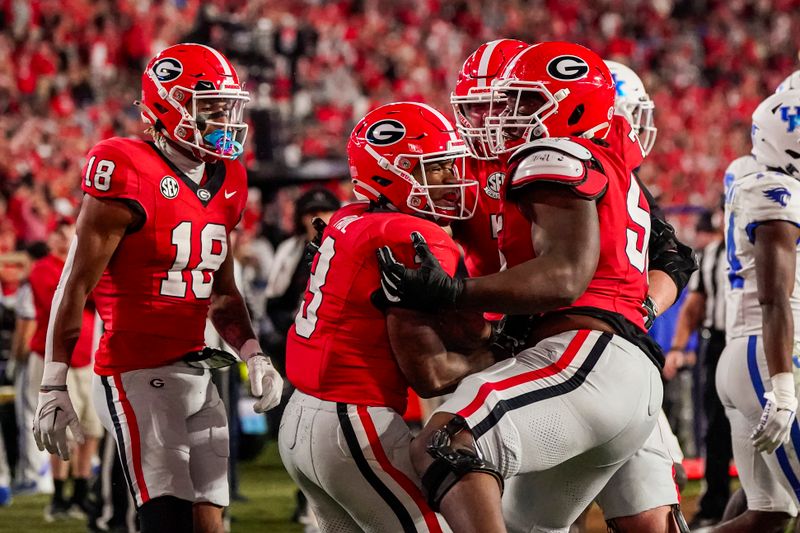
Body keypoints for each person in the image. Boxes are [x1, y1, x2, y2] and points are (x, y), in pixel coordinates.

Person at [376, 42, 672, 533]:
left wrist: (451, 293)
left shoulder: (558, 153)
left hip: (585, 356)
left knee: (445, 445)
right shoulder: (608, 155)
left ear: (573, 104)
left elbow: (563, 277)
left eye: (527, 102)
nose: (507, 115)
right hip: (609, 365)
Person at [31, 43, 283, 533]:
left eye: (227, 109)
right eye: (210, 109)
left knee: (211, 524)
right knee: (166, 517)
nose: (223, 121)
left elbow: (224, 291)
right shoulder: (122, 166)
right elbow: (74, 283)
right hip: (135, 370)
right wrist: (53, 381)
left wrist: (254, 352)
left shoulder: (228, 176)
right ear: (168, 107)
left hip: (197, 368)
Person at [279, 101, 498, 533]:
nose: (451, 179)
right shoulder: (410, 234)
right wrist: (506, 347)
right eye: (434, 168)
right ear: (390, 173)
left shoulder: (349, 218)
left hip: (302, 419)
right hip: (353, 422)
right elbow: (431, 374)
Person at [714, 88, 800, 533]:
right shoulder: (775, 191)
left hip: (753, 354)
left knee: (769, 510)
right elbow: (775, 299)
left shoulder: (764, 180)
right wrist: (783, 388)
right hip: (769, 359)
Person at [20, 219, 103, 520]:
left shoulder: (86, 265)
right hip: (56, 358)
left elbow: (101, 299)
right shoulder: (43, 268)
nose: (63, 237)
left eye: (69, 233)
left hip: (87, 356)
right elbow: (62, 302)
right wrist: (85, 285)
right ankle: (58, 496)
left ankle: (80, 495)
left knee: (91, 429)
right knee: (61, 432)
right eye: (59, 232)